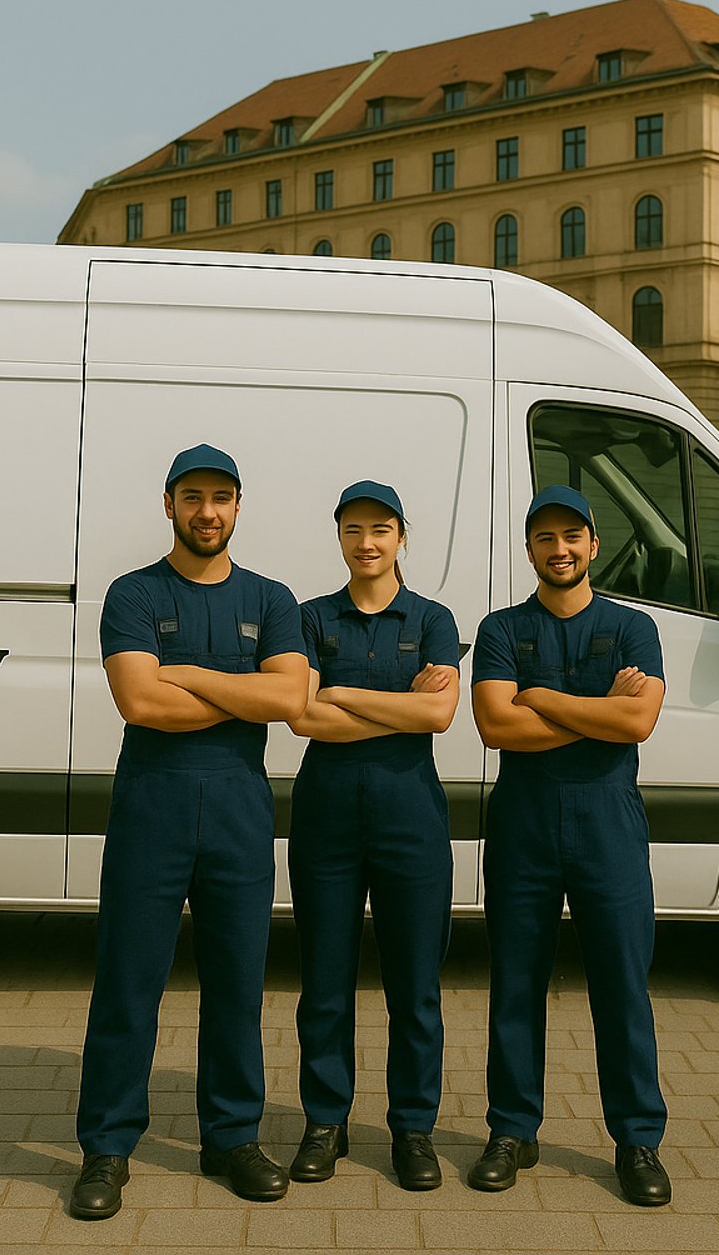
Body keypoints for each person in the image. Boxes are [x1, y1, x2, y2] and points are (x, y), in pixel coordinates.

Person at [70, 444, 308, 1221]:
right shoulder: (132, 594)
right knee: (128, 986)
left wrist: (189, 675)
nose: (208, 511)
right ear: (167, 504)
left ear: (240, 507)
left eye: (223, 497)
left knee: (238, 989)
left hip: (239, 813)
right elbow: (142, 705)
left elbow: (290, 700)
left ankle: (232, 1138)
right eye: (194, 496)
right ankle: (107, 1148)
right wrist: (243, 690)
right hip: (152, 811)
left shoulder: (271, 598)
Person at [467, 485, 673, 1206]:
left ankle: (638, 1141)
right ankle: (511, 1128)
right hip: (524, 822)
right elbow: (496, 728)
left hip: (607, 823)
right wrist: (600, 711)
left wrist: (542, 697)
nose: (560, 549)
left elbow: (639, 723)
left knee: (622, 985)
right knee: (516, 981)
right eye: (545, 538)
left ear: (592, 544)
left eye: (572, 536)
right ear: (530, 550)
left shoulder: (634, 628)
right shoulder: (500, 629)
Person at [283, 481, 461, 1191]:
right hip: (325, 818)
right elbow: (300, 715)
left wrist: (342, 695)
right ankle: (325, 1123)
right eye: (354, 529)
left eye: (381, 529)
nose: (367, 542)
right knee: (324, 983)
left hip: (410, 820)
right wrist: (401, 704)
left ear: (401, 537)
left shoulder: (434, 619)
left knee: (414, 987)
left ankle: (412, 1130)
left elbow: (440, 716)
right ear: (339, 537)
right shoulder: (308, 618)